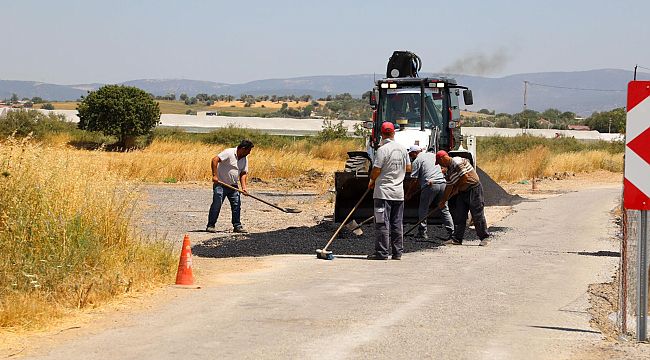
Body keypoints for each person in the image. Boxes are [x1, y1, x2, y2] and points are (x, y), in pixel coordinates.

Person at [367, 122, 412, 260]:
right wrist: (397, 173)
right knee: (397, 223)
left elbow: (376, 170)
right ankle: (397, 253)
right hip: (398, 194)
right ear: (393, 133)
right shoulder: (403, 149)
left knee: (382, 223)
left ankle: (381, 253)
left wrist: (371, 181)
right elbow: (409, 168)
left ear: (381, 134)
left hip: (383, 193)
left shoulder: (382, 150)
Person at [436, 150, 491, 246]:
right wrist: (443, 200)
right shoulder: (448, 171)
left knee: (477, 214)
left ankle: (484, 237)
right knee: (460, 215)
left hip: (473, 189)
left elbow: (465, 177)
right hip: (463, 191)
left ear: (442, 158)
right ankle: (457, 239)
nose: (440, 165)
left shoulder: (457, 162)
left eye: (439, 162)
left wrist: (456, 189)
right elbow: (448, 187)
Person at [407, 145, 454, 241]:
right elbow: (444, 168)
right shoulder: (432, 156)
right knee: (444, 208)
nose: (410, 156)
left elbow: (414, 180)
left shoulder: (417, 161)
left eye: (411, 154)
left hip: (430, 185)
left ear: (415, 153)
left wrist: (409, 193)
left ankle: (422, 232)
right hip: (443, 183)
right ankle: (452, 233)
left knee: (423, 209)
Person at [206, 139, 254, 234]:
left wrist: (244, 187)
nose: (249, 153)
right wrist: (215, 175)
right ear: (243, 149)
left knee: (236, 205)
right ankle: (211, 225)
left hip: (233, 186)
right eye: (248, 150)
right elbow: (215, 160)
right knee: (217, 204)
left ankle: (237, 226)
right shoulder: (229, 152)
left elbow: (243, 173)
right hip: (221, 184)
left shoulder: (244, 159)